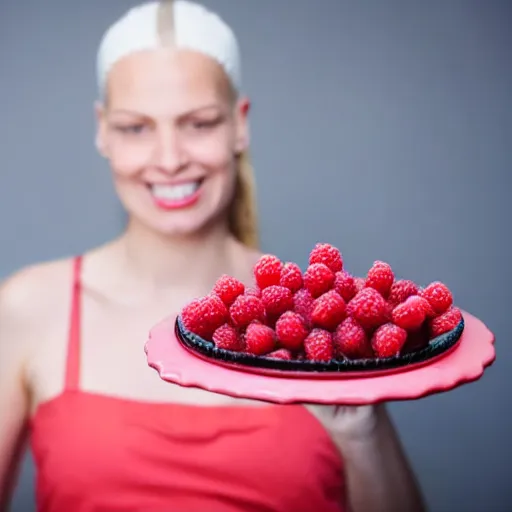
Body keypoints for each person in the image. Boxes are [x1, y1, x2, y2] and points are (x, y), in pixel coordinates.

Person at [0, 1, 427, 511]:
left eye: (198, 123)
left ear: (238, 125)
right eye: (136, 127)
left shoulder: (313, 318)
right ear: (102, 131)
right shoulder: (29, 308)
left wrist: (360, 425)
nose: (170, 157)